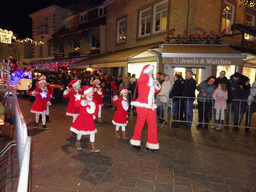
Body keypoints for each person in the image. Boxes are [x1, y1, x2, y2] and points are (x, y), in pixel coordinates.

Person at [130, 64, 161, 151]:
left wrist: (156, 84)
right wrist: (152, 81)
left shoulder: (150, 79)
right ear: (147, 70)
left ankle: (152, 144)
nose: (152, 72)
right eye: (151, 70)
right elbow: (142, 80)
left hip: (150, 105)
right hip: (143, 105)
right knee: (140, 123)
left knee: (152, 124)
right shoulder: (144, 77)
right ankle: (135, 141)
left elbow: (157, 90)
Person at [70, 86, 100, 152]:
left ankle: (92, 146)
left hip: (90, 118)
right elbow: (76, 104)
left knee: (92, 132)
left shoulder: (94, 101)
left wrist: (94, 116)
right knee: (80, 131)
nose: (92, 93)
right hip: (82, 117)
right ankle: (78, 142)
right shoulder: (82, 100)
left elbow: (96, 109)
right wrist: (82, 102)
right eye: (91, 92)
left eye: (92, 91)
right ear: (86, 93)